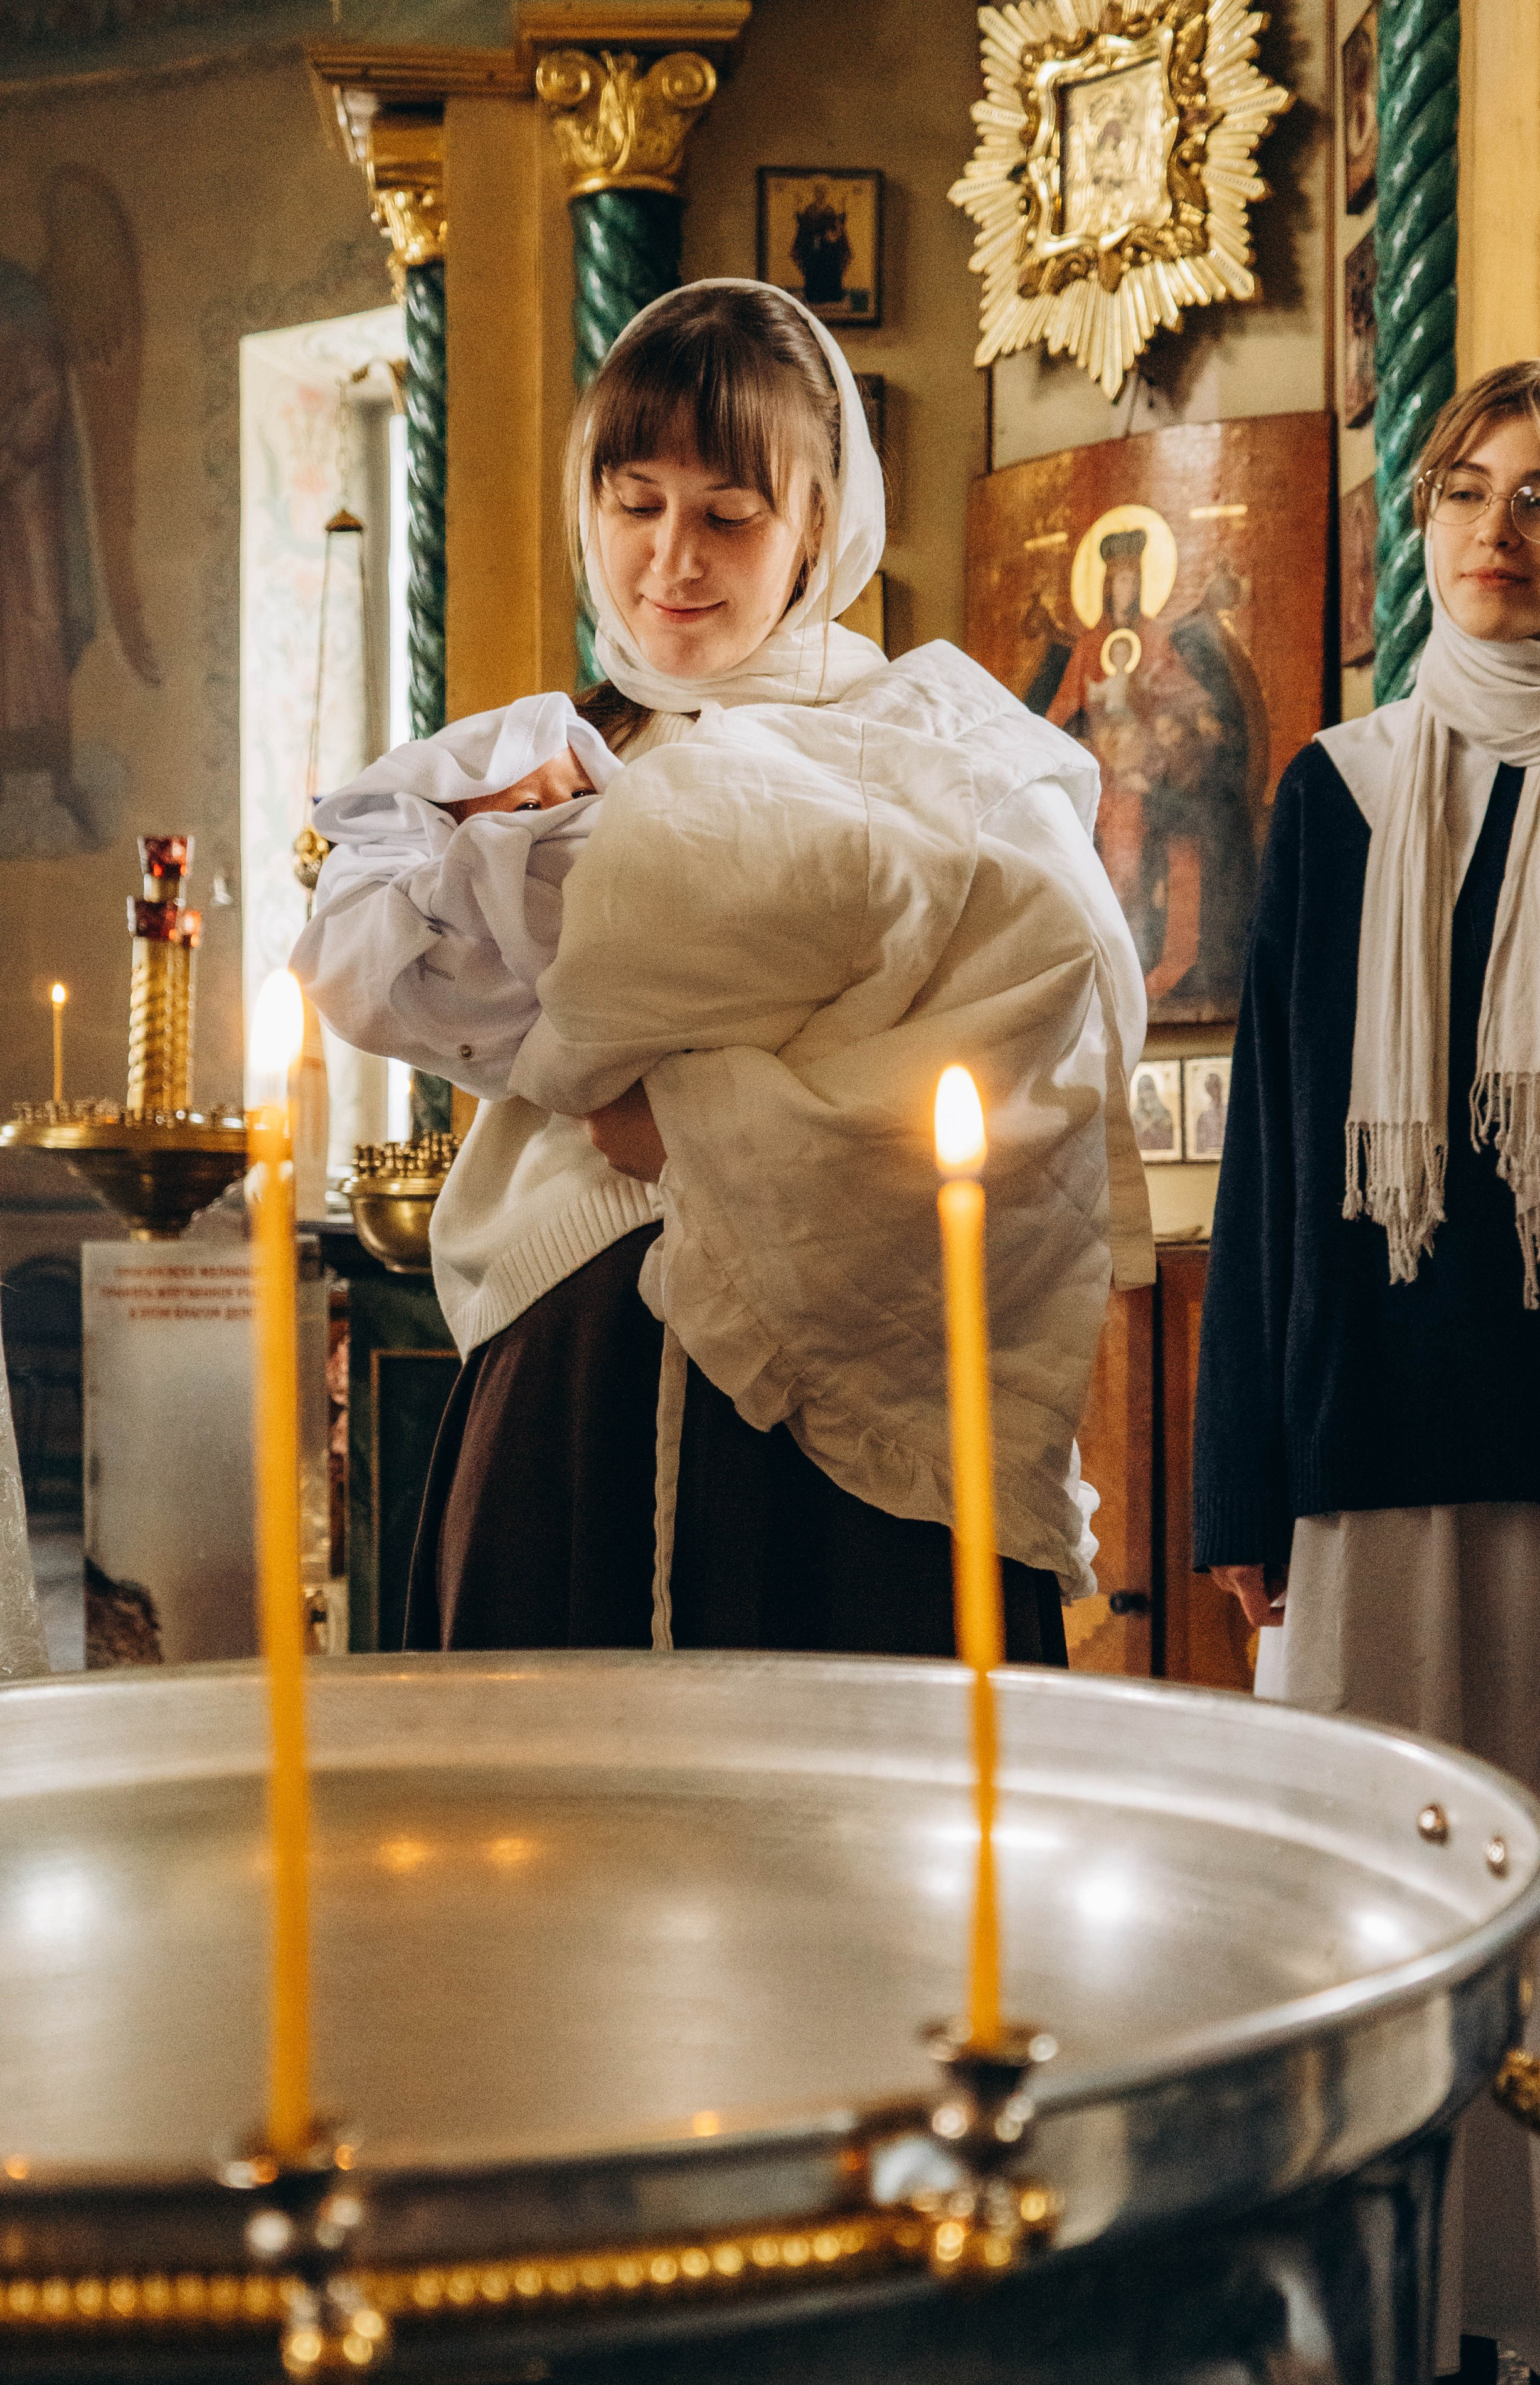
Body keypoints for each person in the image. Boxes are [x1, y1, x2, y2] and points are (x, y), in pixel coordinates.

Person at [295, 278, 1152, 1664]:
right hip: (566, 1379)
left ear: (814, 525)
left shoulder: (936, 751)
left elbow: (1035, 1052)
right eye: (634, 506)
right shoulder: (539, 760)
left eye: (725, 516)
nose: (670, 561)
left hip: (819, 1455)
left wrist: (686, 1118)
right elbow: (376, 954)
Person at [1192, 359, 1540, 2385]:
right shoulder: (1341, 792)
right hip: (1379, 1473)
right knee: (1397, 1929)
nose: (1497, 533)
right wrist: (1238, 1508)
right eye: (1463, 490)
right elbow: (1279, 1165)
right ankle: (1408, 2327)